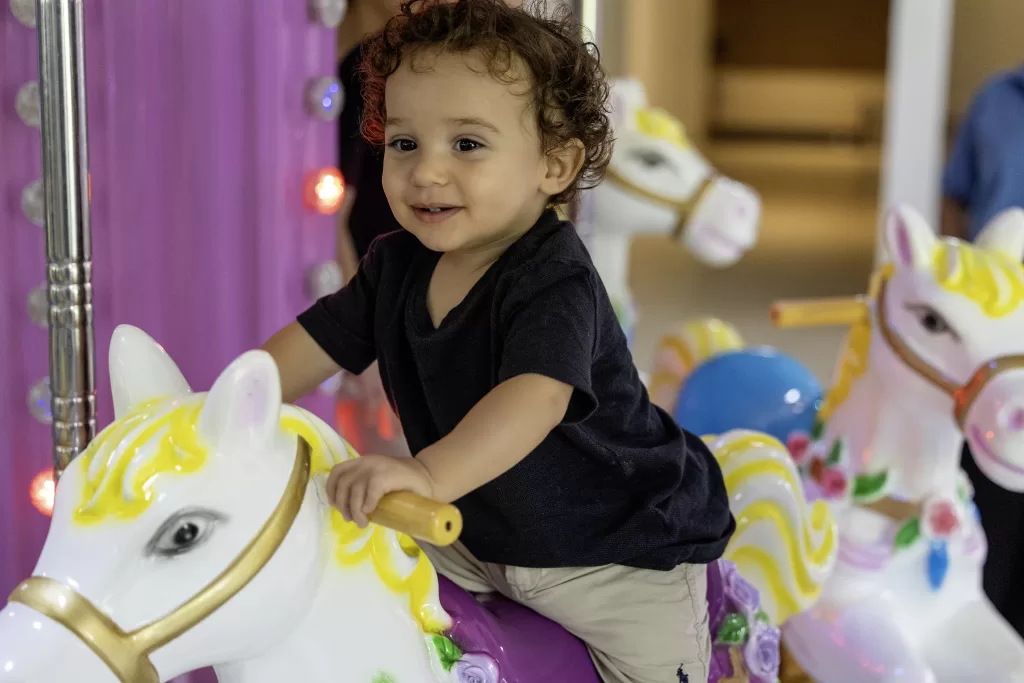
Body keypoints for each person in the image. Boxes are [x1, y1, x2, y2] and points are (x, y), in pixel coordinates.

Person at [262, 2, 734, 682]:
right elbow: (316, 340)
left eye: (466, 144)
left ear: (554, 164)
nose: (426, 171)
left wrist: (427, 476)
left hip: (613, 549)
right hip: (473, 531)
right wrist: (225, 404)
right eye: (404, 143)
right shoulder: (395, 264)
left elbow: (533, 399)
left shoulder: (553, 277)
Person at [941, 63, 1024, 638]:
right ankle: (981, 623)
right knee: (989, 476)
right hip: (994, 320)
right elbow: (956, 197)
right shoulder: (995, 98)